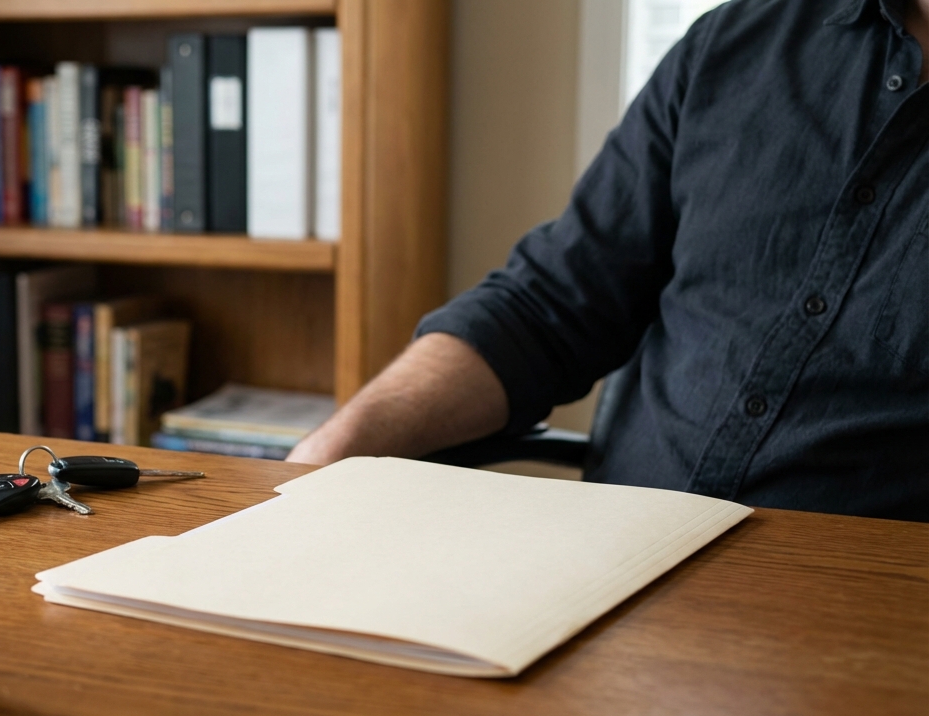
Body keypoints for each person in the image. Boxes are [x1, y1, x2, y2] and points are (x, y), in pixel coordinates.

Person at [288, 0, 929, 522]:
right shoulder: (730, 45)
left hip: (864, 614)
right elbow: (549, 305)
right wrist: (334, 450)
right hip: (610, 568)